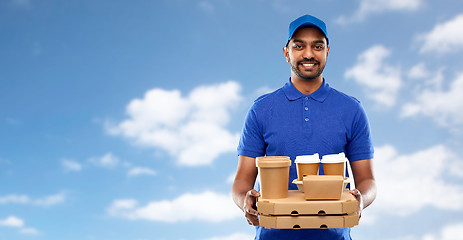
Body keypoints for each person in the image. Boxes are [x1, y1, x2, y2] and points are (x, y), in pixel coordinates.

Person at [231, 14, 377, 240]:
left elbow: (367, 180)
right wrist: (245, 201)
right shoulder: (261, 109)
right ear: (285, 52)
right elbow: (242, 180)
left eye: (317, 46)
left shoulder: (352, 109)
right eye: (299, 46)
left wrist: (361, 200)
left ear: (327, 51)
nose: (308, 54)